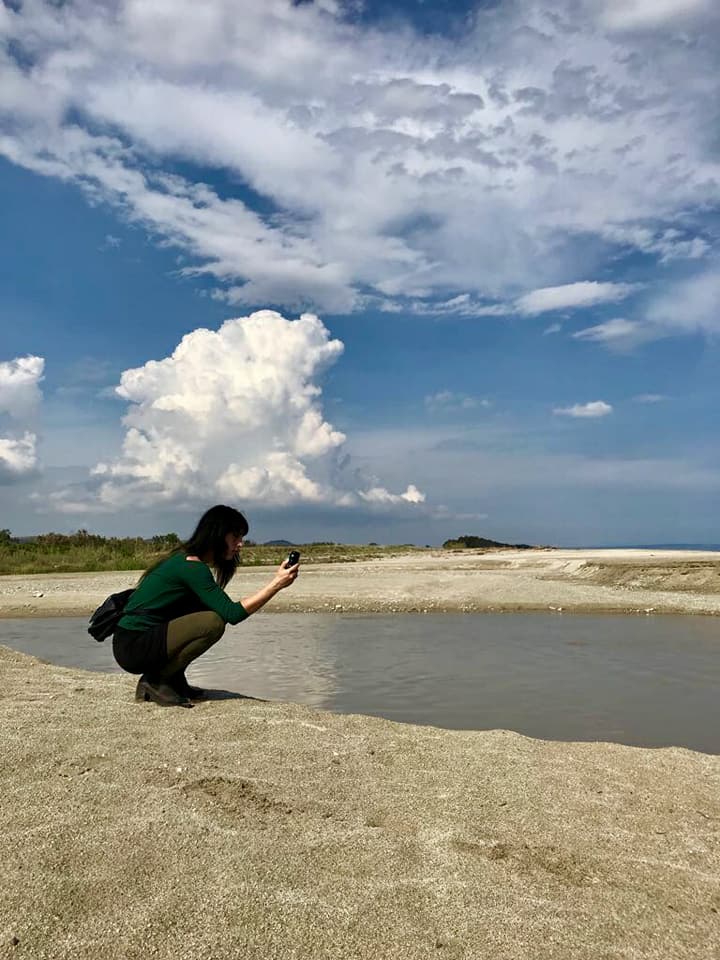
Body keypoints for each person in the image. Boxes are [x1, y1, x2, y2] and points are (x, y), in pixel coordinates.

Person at [112, 504, 298, 708]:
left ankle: (173, 679)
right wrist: (276, 584)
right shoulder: (192, 567)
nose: (240, 544)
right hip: (134, 646)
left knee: (207, 612)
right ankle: (157, 680)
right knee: (213, 622)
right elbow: (232, 613)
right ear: (217, 535)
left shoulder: (183, 558)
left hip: (133, 641)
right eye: (235, 537)